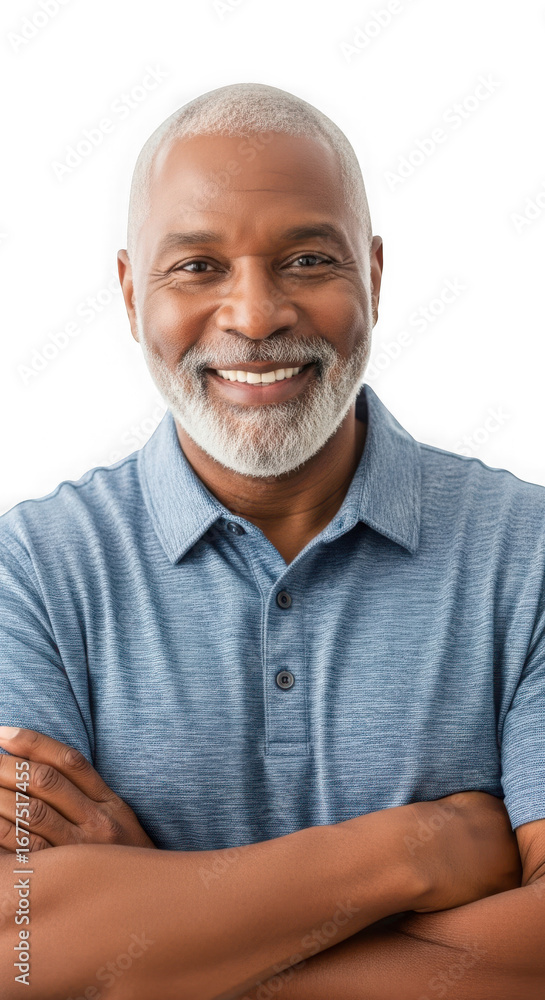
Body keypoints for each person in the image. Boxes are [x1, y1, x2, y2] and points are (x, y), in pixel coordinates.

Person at [0, 82, 544, 998]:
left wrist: (155, 942)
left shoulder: (529, 557)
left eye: (304, 259)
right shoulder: (36, 572)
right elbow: (17, 954)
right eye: (198, 267)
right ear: (133, 293)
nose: (255, 318)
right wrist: (417, 847)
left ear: (372, 274)